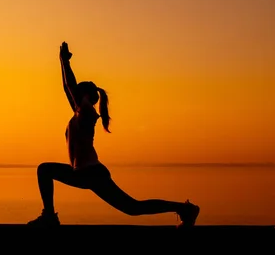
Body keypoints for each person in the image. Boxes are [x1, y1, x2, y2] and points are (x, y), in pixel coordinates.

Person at [27, 42, 200, 228]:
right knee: (45, 169)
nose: (73, 93)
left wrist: (65, 63)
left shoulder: (86, 112)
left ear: (84, 95)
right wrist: (62, 61)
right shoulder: (80, 112)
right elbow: (67, 88)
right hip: (83, 172)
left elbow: (70, 86)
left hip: (92, 173)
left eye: (77, 92)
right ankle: (49, 216)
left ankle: (185, 209)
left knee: (133, 208)